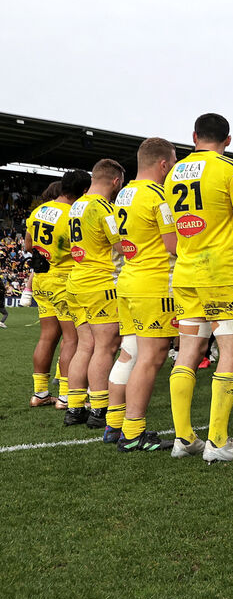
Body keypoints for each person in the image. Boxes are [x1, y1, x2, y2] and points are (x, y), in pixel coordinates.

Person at [167, 114, 233, 461]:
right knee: (232, 354)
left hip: (187, 275)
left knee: (189, 352)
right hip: (221, 275)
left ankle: (183, 438)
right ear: (228, 140)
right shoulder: (232, 169)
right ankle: (218, 441)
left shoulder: (173, 172)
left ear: (194, 136)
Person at [112, 138, 179, 452]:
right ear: (163, 164)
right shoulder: (159, 195)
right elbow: (173, 245)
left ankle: (117, 424)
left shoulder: (123, 194)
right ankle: (133, 431)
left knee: (131, 353)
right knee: (151, 357)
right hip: (153, 283)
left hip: (128, 278)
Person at [64, 159, 126, 429]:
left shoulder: (76, 205)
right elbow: (122, 247)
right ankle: (99, 408)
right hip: (100, 282)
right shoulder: (104, 208)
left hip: (76, 281)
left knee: (84, 345)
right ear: (115, 181)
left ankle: (75, 407)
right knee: (105, 347)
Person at [24, 174, 86, 407]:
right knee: (72, 339)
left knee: (47, 336)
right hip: (63, 279)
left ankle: (39, 393)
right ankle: (65, 395)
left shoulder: (39, 210)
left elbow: (29, 245)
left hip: (41, 279)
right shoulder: (73, 214)